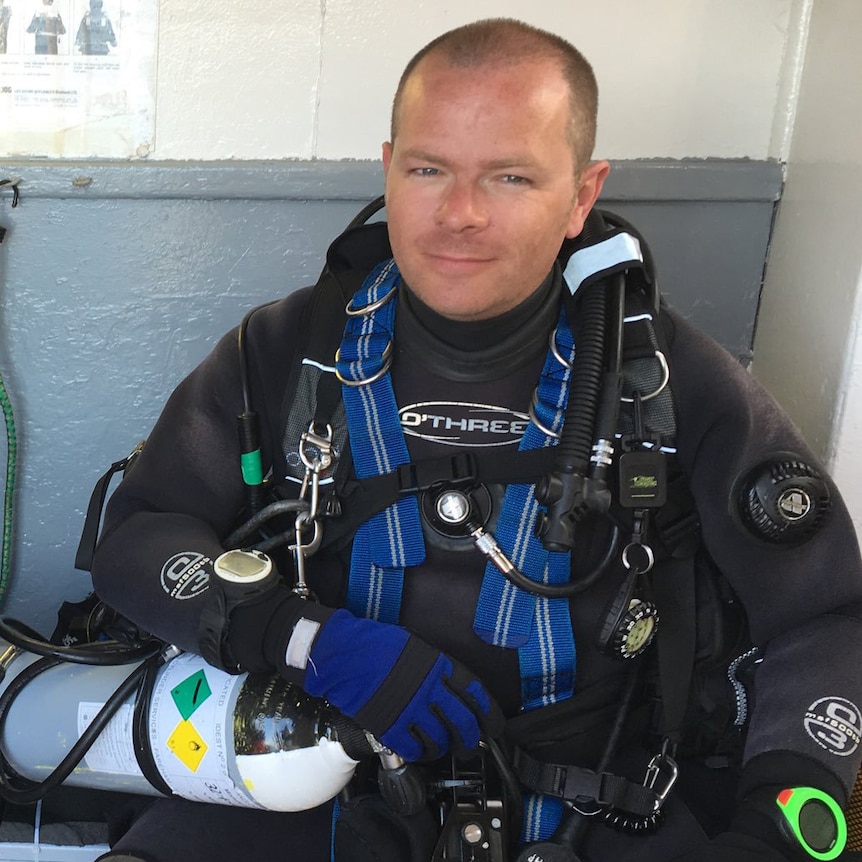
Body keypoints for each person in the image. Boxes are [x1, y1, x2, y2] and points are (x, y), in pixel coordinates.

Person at [89, 17, 862, 862]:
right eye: (428, 170)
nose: (459, 214)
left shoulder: (669, 380)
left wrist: (784, 829)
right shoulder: (285, 352)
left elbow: (821, 617)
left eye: (510, 177)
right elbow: (138, 535)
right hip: (321, 775)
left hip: (600, 802)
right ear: (389, 168)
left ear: (581, 196)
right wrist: (302, 636)